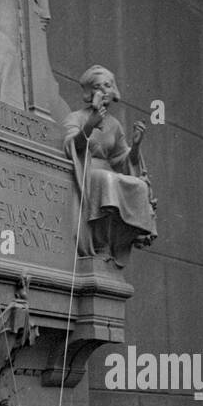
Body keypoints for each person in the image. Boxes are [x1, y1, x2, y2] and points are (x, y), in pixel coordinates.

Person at [63, 65, 157, 268]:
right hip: (87, 172)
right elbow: (71, 146)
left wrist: (136, 145)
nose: (104, 90)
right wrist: (91, 123)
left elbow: (121, 159)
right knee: (107, 180)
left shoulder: (114, 124)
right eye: (98, 86)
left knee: (139, 186)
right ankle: (101, 244)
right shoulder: (76, 117)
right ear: (90, 92)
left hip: (108, 172)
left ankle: (123, 238)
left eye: (107, 85)